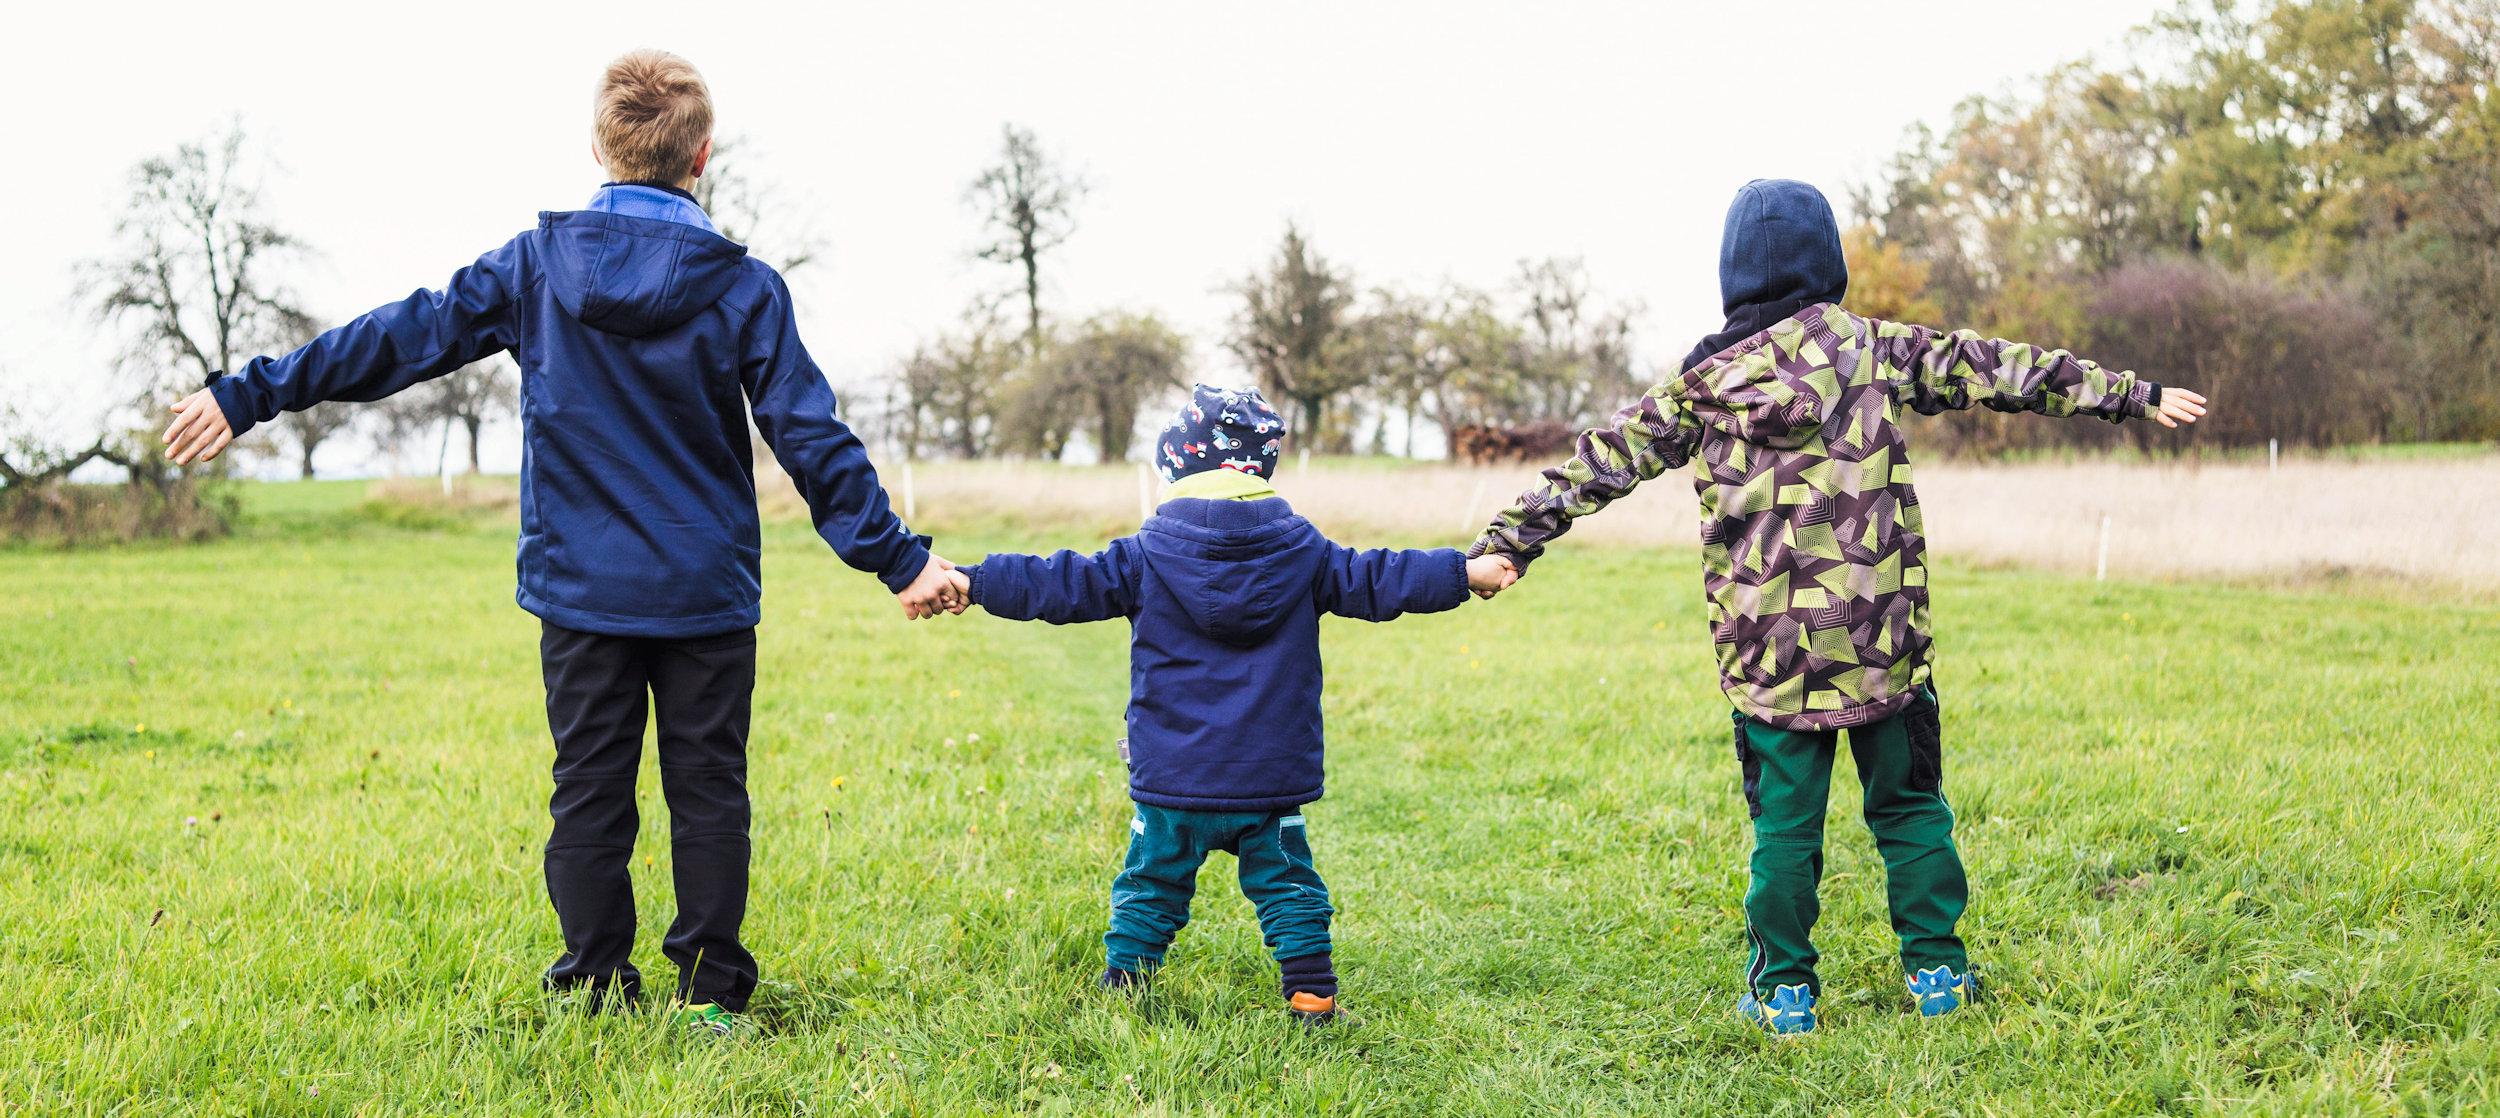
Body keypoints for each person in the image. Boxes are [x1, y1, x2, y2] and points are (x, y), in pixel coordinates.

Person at [158, 49, 964, 1034]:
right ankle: (709, 996)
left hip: (581, 591)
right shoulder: (745, 287)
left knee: (587, 792)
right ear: (701, 154)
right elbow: (810, 437)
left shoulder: (536, 267)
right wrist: (900, 558)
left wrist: (249, 393)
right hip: (703, 591)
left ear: (597, 145)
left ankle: (591, 982)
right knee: (709, 789)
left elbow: (398, 336)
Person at [1466, 178, 2209, 1034]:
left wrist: (1509, 541)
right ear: (1831, 263)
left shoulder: (1700, 388)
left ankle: (1784, 992)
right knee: (1909, 810)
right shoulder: (1870, 350)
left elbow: (1599, 461)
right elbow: (1995, 367)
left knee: (1785, 831)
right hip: (1881, 642)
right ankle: (1936, 975)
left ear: (1733, 276)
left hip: (1772, 661)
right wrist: (2131, 394)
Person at [940, 385, 1513, 1023]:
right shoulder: (1306, 553)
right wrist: (1465, 572)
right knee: (1289, 888)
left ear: (1178, 468)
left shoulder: (1144, 555)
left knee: (1151, 883)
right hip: (1267, 777)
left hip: (1173, 778)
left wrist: (975, 580)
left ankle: (1123, 985)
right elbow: (1383, 577)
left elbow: (1059, 582)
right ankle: (1311, 995)